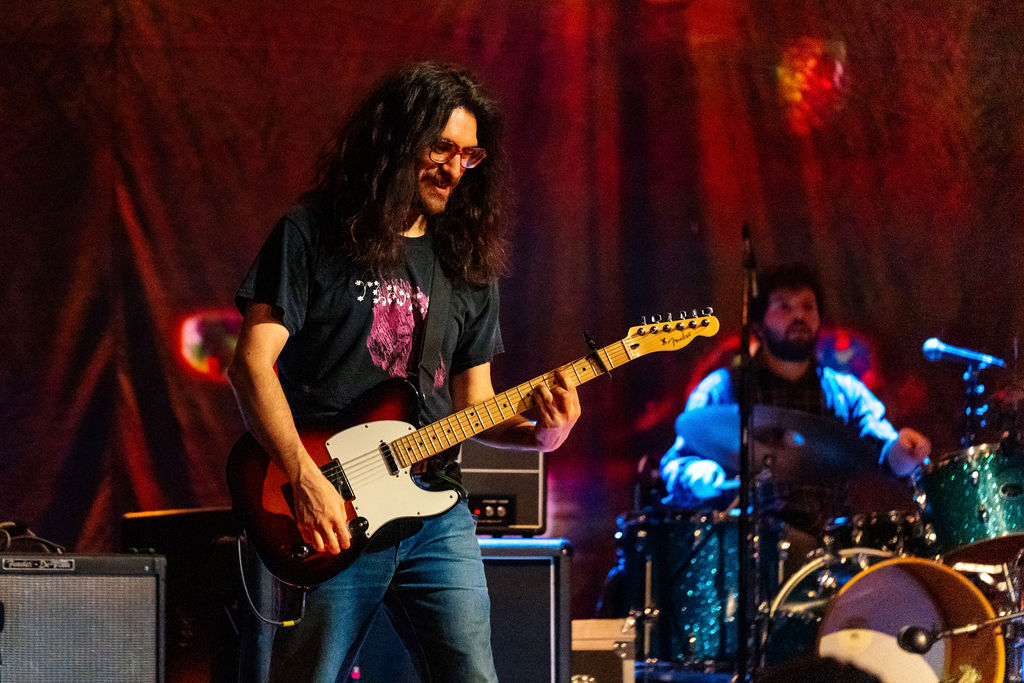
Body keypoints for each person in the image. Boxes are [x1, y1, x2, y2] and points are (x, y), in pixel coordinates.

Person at [227, 62, 580, 683]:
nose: (454, 169)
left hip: (435, 512)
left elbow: (474, 405)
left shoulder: (466, 260)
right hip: (329, 504)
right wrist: (304, 478)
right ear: (396, 140)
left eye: (469, 155)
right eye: (441, 148)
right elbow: (251, 364)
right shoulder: (313, 230)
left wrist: (543, 435)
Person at [660, 262, 931, 518]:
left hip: (830, 544)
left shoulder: (846, 392)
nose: (799, 316)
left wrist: (904, 452)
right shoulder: (722, 389)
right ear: (758, 327)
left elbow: (886, 455)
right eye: (784, 307)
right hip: (752, 544)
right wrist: (697, 476)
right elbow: (676, 464)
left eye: (808, 306)